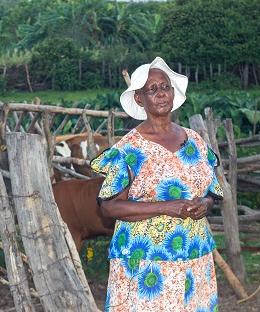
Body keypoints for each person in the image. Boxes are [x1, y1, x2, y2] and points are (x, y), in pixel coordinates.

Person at [90, 56, 223, 311]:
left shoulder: (194, 141)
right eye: (152, 89)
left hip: (194, 257)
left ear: (173, 93)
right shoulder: (130, 149)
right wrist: (166, 207)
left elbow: (211, 192)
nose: (161, 94)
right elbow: (108, 208)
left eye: (165, 87)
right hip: (145, 265)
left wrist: (206, 204)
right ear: (139, 99)